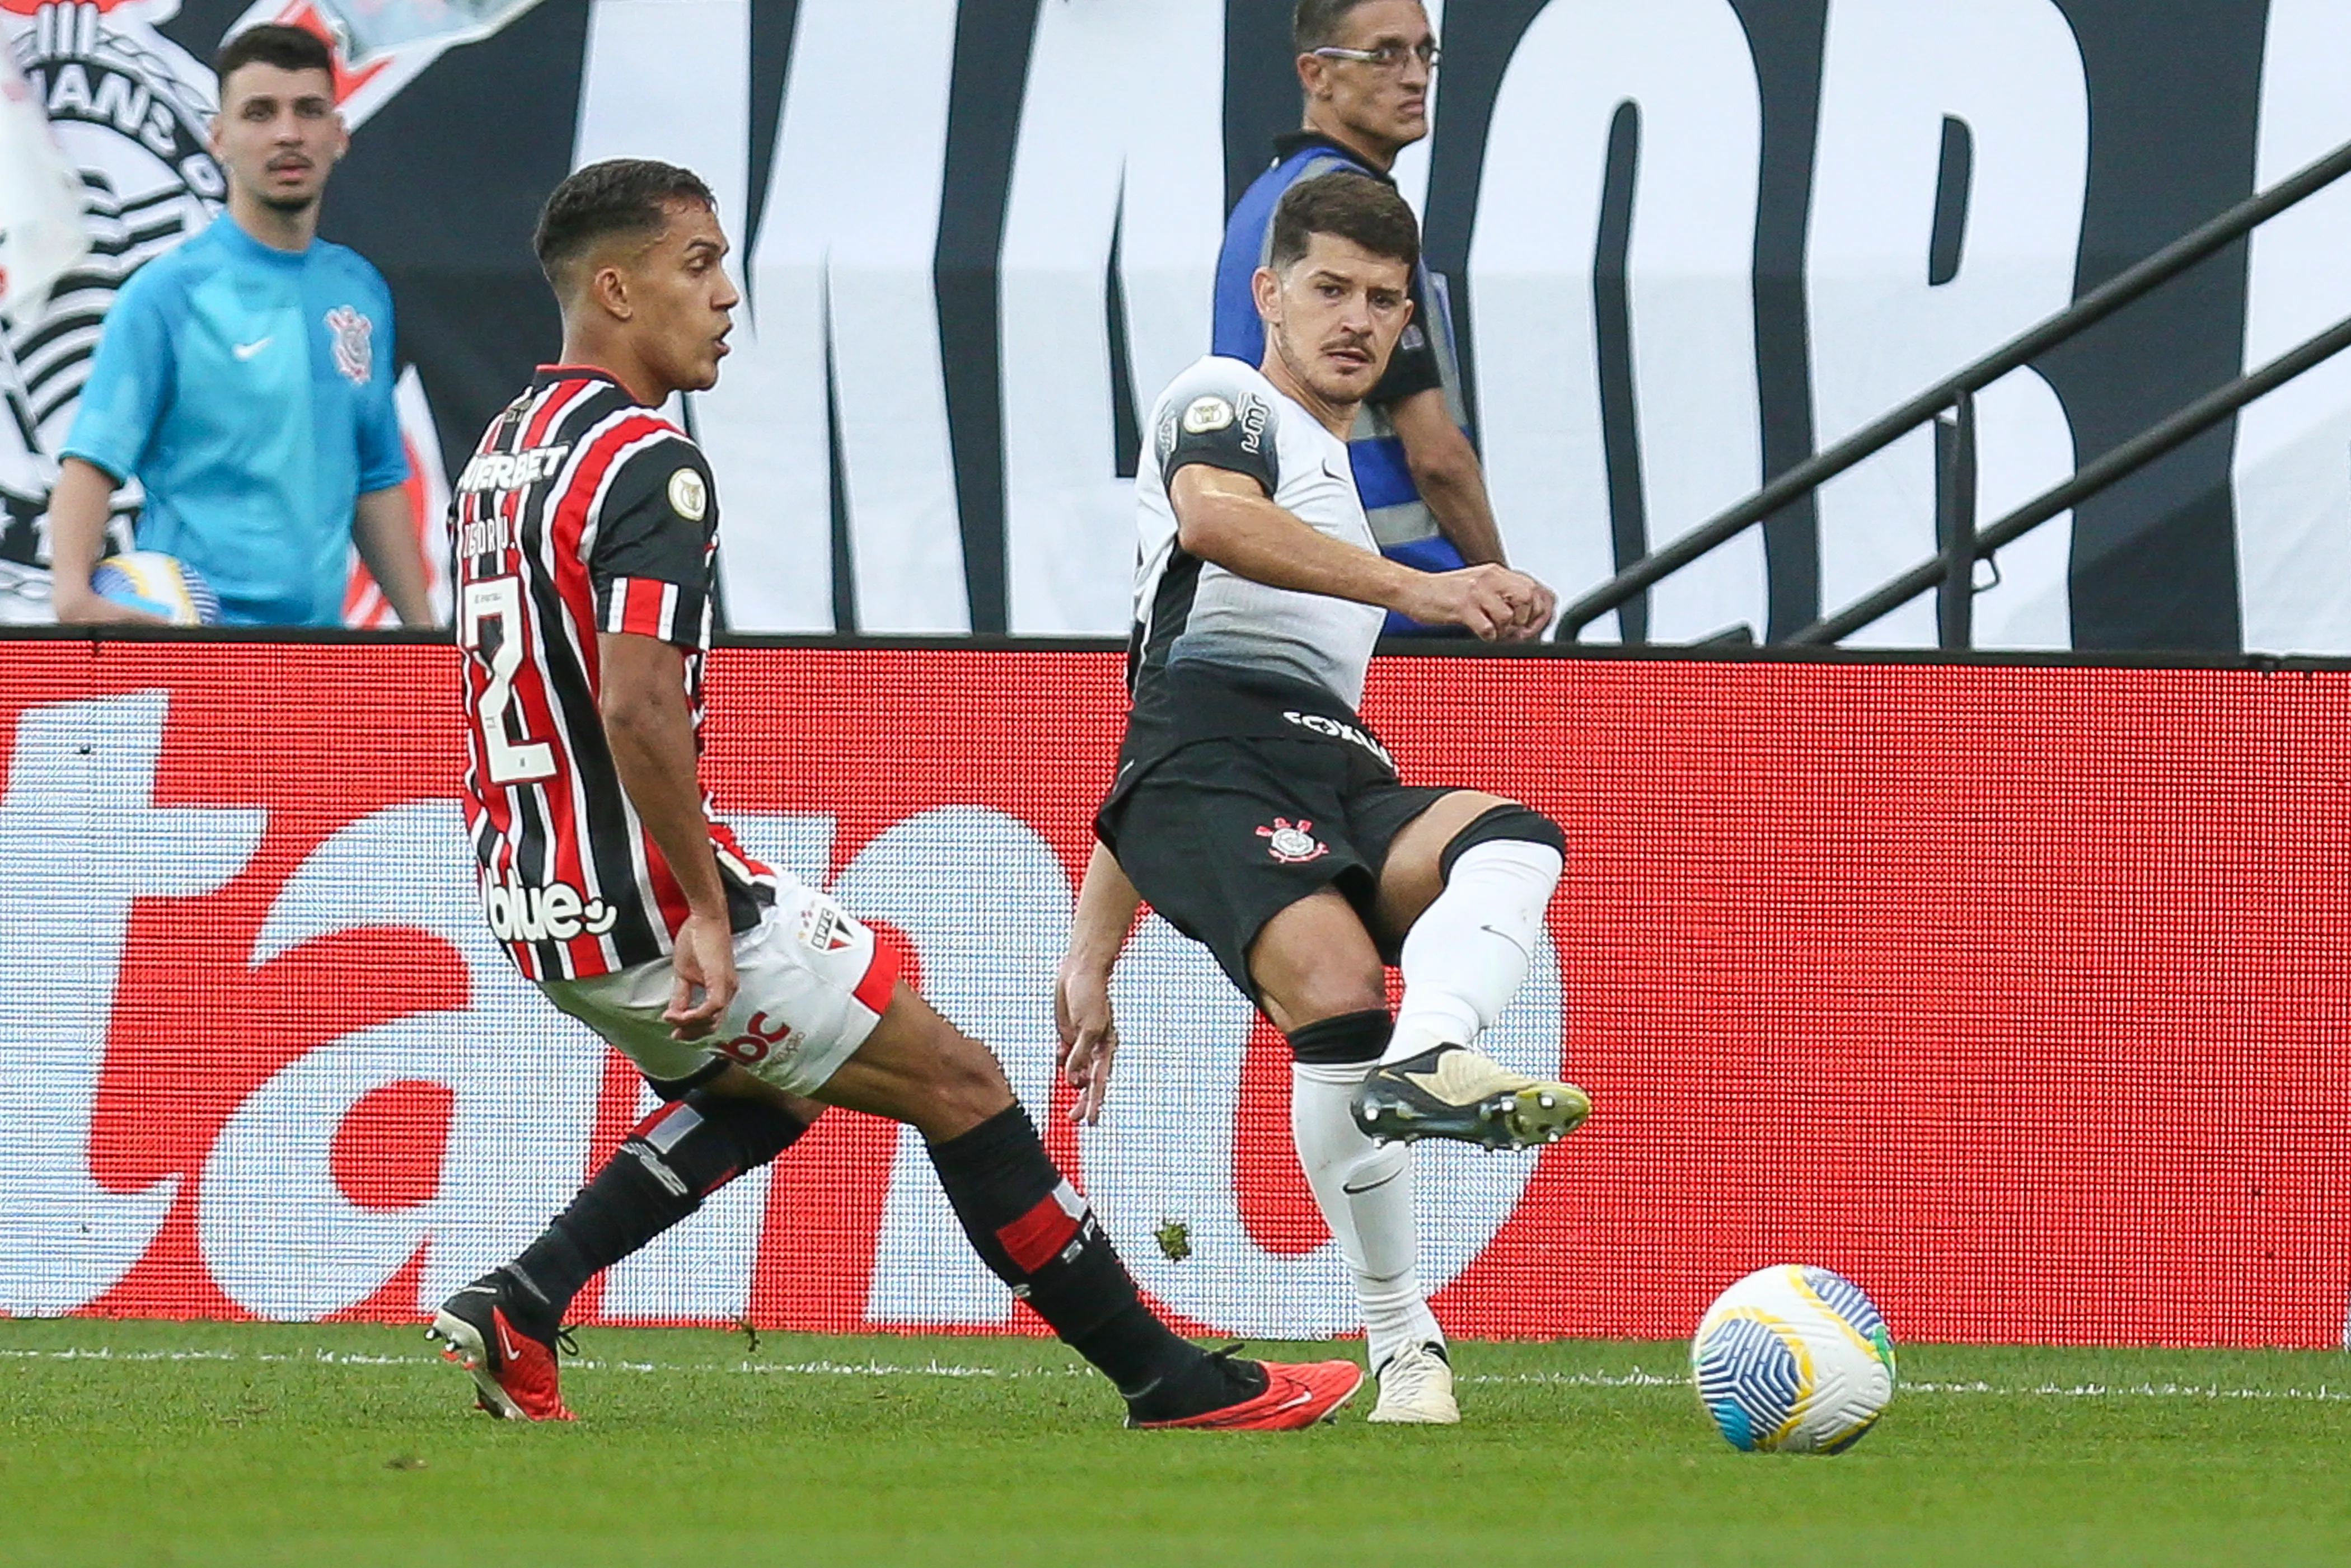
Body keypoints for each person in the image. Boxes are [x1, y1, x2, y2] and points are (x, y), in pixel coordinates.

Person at [428, 157, 1361, 1433]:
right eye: (697, 266)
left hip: (534, 883)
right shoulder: (651, 463)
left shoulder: (503, 451)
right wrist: (702, 903)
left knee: (772, 1084)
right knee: (964, 1084)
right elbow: (638, 703)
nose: (726, 295)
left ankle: (523, 1300)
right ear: (614, 287)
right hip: (645, 891)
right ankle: (1167, 1382)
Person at [1055, 172, 1588, 1428]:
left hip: (1332, 765)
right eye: (1329, 289)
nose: (1356, 319)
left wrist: (1089, 957)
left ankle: (1428, 1053)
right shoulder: (1223, 397)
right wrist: (1430, 588)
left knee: (1514, 841)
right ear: (1269, 295)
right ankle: (1406, 1340)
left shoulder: (1342, 494)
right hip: (1210, 759)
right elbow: (1215, 528)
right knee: (1335, 989)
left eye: (1384, 301)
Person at [47, 24, 430, 628]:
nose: (288, 133)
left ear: (339, 135)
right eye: (260, 113)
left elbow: (376, 480)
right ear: (219, 138)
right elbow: (92, 460)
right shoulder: (168, 294)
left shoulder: (360, 292)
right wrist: (72, 597)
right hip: (197, 652)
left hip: (318, 658)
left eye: (309, 111)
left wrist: (424, 632)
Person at [1215, 0, 1546, 637]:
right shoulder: (1355, 218)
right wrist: (1497, 587)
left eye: (1427, 53)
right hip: (1394, 608)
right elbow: (1436, 455)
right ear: (1316, 75)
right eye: (1386, 54)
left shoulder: (1265, 203)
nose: (1417, 76)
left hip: (1308, 591)